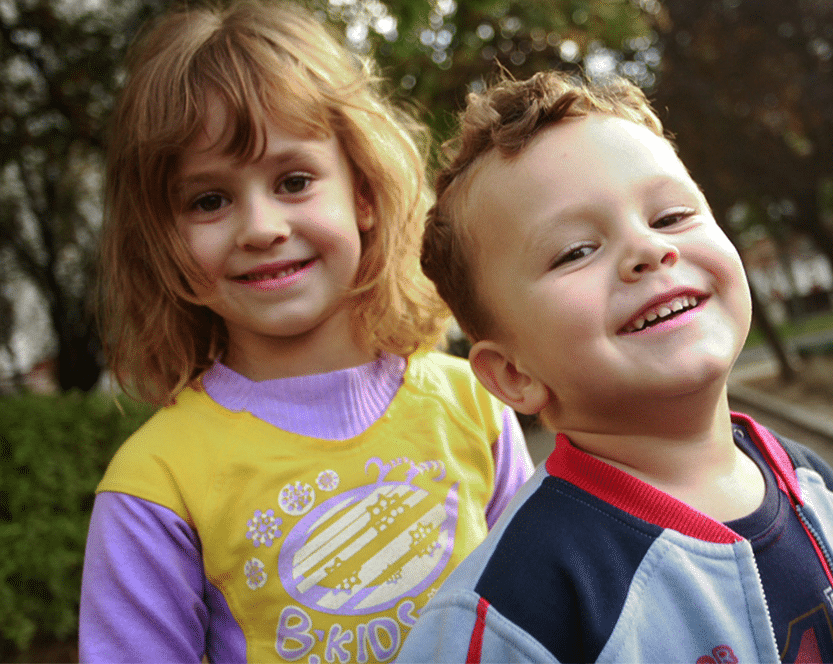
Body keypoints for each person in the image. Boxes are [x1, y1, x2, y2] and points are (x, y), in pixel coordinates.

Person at [79, 3, 532, 662]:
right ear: (163, 243)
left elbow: (543, 621)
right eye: (209, 200)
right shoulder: (154, 484)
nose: (260, 227)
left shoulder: (476, 406)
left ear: (365, 195)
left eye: (293, 181)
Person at [397, 71, 833, 664]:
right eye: (576, 251)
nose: (649, 249)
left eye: (671, 217)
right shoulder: (515, 608)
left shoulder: (812, 485)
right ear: (512, 375)